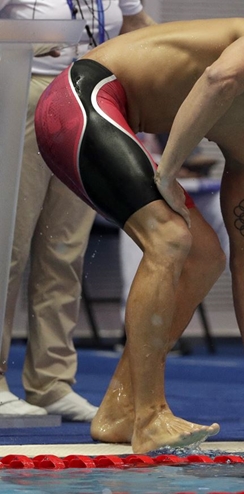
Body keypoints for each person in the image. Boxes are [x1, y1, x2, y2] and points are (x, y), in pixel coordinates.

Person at [33, 19, 244, 453]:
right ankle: (150, 415)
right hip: (80, 99)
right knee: (171, 238)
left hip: (98, 120)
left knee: (205, 255)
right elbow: (219, 77)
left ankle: (121, 409)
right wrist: (170, 169)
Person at [0, 0, 154, 421]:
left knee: (64, 250)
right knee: (7, 246)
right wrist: (25, 45)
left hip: (86, 106)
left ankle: (51, 382)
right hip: (21, 92)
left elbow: (141, 30)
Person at [118, 134, 244, 357]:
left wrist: (185, 165)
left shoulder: (177, 105)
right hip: (122, 187)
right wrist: (161, 168)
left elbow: (189, 152)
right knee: (143, 217)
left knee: (236, 217)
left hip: (174, 183)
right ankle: (137, 327)